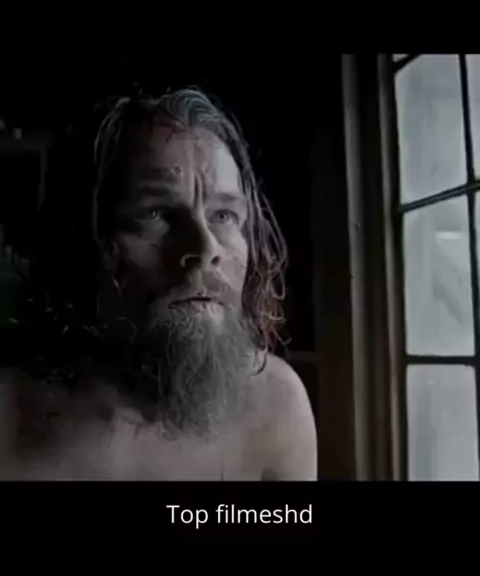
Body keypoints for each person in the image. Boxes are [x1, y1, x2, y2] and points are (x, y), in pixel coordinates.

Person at [0, 89, 317, 480]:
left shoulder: (275, 406)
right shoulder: (9, 416)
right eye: (156, 214)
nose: (205, 249)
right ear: (81, 238)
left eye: (223, 215)